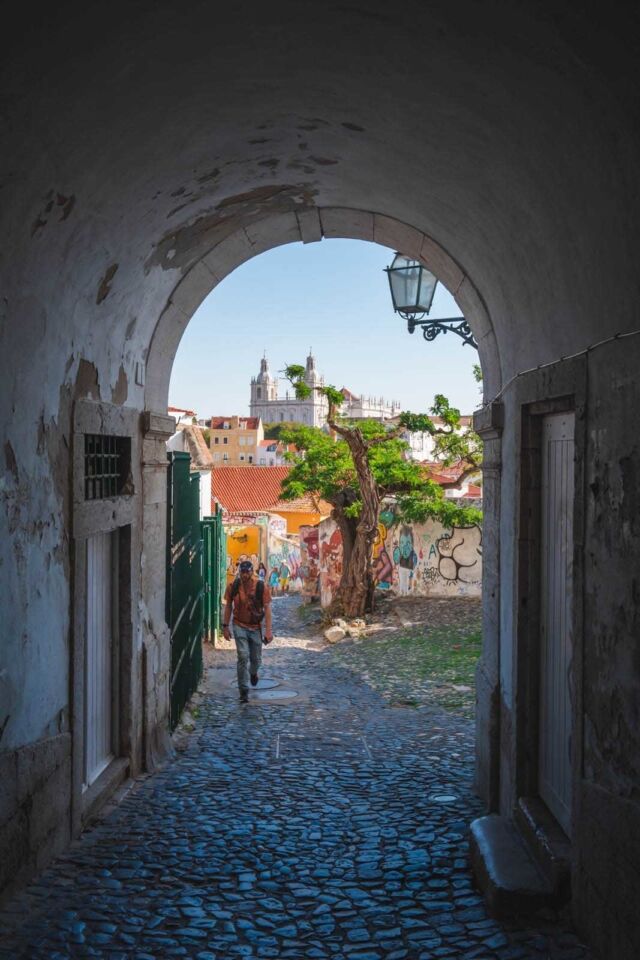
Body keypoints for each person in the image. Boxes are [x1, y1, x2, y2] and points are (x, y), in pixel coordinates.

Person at [222, 560, 273, 703]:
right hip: (239, 625)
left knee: (256, 660)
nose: (244, 575)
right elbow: (228, 607)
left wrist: (268, 631)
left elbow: (267, 609)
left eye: (247, 572)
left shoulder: (261, 587)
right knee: (243, 656)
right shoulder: (233, 586)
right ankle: (243, 690)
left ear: (252, 572)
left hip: (255, 627)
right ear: (239, 572)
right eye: (242, 572)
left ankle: (253, 673)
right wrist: (225, 626)